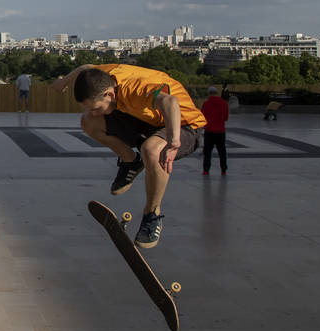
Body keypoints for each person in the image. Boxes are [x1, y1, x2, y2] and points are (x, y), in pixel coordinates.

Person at [51, 64, 205, 249]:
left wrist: (174, 141)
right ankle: (131, 161)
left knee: (152, 150)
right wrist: (63, 82)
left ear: (109, 94)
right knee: (88, 122)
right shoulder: (103, 77)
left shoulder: (136, 88)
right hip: (148, 120)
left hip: (182, 124)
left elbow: (170, 103)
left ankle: (152, 215)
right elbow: (86, 67)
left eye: (97, 107)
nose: (95, 111)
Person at [200, 86, 229, 177]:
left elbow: (202, 117)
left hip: (209, 131)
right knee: (222, 152)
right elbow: (226, 117)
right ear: (216, 93)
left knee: (207, 152)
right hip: (220, 131)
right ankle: (223, 170)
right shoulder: (224, 103)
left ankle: (206, 170)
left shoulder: (206, 104)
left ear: (209, 93)